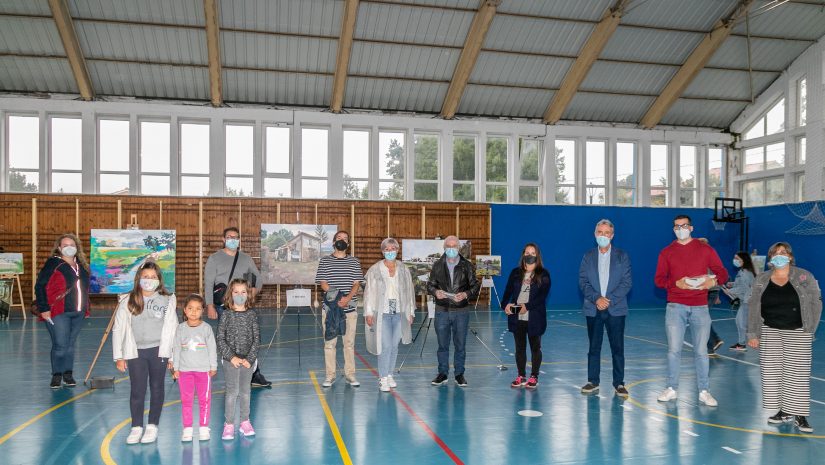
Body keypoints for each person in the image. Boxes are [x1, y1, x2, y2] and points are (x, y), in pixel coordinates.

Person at [654, 214, 728, 406]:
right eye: (677, 226)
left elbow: (722, 272)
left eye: (684, 225)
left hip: (700, 307)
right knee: (673, 351)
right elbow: (659, 280)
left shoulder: (705, 249)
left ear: (691, 228)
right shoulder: (666, 252)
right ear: (673, 230)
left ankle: (704, 391)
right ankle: (671, 388)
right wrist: (676, 283)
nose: (681, 229)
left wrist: (712, 281)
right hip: (675, 307)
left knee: (702, 351)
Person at [747, 242, 821, 433]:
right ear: (771, 258)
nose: (780, 255)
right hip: (771, 331)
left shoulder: (804, 276)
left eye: (783, 252)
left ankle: (800, 415)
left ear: (790, 256)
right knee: (773, 374)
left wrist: (809, 329)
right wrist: (753, 333)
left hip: (798, 332)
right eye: (776, 253)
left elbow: (816, 302)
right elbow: (754, 306)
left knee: (797, 375)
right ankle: (784, 411)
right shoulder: (762, 279)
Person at [112, 261, 179, 444]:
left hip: (159, 352)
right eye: (145, 277)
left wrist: (173, 357)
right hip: (136, 353)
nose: (149, 280)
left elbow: (173, 329)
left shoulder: (167, 299)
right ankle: (136, 427)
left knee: (157, 387)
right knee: (137, 390)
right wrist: (119, 356)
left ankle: (152, 426)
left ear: (159, 280)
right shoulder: (127, 300)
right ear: (138, 279)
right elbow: (118, 329)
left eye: (153, 277)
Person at [204, 227, 269, 388]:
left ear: (239, 240)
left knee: (248, 338)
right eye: (229, 237)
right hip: (223, 306)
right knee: (227, 339)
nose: (233, 239)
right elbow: (208, 283)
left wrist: (253, 292)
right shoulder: (214, 258)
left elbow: (258, 279)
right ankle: (231, 373)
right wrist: (210, 305)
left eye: (236, 237)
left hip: (243, 306)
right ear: (223, 239)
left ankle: (254, 373)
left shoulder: (246, 259)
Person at [578, 220, 633, 397]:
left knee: (618, 348)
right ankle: (592, 381)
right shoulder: (588, 256)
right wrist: (597, 299)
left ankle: (619, 383)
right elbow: (583, 282)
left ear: (612, 235)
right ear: (595, 235)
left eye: (607, 233)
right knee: (594, 347)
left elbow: (627, 283)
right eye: (600, 232)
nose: (603, 235)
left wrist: (608, 300)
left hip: (615, 309)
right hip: (593, 308)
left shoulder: (622, 256)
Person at [35, 233, 91, 389]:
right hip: (59, 312)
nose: (69, 248)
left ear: (77, 247)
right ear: (59, 248)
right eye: (65, 245)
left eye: (72, 245)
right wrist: (44, 308)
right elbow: (40, 286)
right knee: (60, 344)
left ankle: (68, 374)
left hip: (79, 312)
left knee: (70, 345)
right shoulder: (53, 263)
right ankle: (57, 375)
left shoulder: (81, 266)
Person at [427, 235, 480, 387]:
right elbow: (430, 285)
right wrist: (436, 292)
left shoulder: (467, 265)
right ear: (444, 248)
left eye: (454, 246)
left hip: (461, 312)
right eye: (448, 246)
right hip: (442, 311)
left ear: (458, 248)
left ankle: (459, 374)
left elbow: (475, 286)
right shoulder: (437, 265)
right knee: (442, 345)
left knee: (460, 345)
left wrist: (465, 294)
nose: (451, 249)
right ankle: (442, 373)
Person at [363, 238, 416, 392]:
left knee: (394, 346)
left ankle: (390, 374)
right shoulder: (375, 269)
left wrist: (410, 311)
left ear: (397, 250)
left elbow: (409, 292)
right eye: (387, 248)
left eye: (393, 248)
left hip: (399, 312)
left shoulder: (404, 269)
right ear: (383, 251)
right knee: (385, 346)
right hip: (382, 313)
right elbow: (369, 293)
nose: (390, 251)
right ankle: (383, 378)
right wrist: (368, 312)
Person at [315, 230, 365, 387]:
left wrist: (347, 298)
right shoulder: (324, 261)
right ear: (333, 242)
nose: (341, 240)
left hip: (349, 309)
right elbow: (322, 283)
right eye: (338, 238)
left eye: (345, 239)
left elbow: (357, 283)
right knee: (330, 343)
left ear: (348, 244)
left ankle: (350, 374)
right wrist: (337, 298)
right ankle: (330, 376)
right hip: (330, 309)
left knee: (349, 344)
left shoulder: (354, 262)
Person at [501, 243, 551, 389]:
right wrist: (506, 305)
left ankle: (534, 376)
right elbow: (507, 292)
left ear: (537, 256)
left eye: (533, 253)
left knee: (535, 348)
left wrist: (526, 307)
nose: (530, 255)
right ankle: (521, 375)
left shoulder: (544, 274)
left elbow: (542, 296)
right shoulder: (515, 273)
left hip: (535, 317)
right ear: (523, 254)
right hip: (517, 318)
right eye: (527, 252)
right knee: (519, 348)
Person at [217, 279, 260, 440]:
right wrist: (231, 357)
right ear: (230, 294)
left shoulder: (252, 315)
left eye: (243, 292)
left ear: (248, 294)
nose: (240, 295)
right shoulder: (226, 314)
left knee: (245, 392)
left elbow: (257, 339)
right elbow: (220, 338)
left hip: (248, 361)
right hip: (230, 360)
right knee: (231, 392)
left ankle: (244, 422)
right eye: (236, 292)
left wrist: (250, 358)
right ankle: (229, 424)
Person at [172, 294, 217, 442]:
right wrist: (176, 368)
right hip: (185, 372)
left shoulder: (206, 329)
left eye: (198, 309)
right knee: (187, 400)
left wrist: (213, 366)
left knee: (205, 400)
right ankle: (187, 429)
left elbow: (212, 349)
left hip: (203, 371)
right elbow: (176, 349)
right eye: (190, 308)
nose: (193, 311)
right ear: (185, 310)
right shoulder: (180, 329)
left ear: (203, 310)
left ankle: (204, 427)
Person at [727, 252, 756, 351]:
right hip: (746, 300)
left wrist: (730, 291)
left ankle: (743, 344)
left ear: (743, 260)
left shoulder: (745, 272)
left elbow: (743, 288)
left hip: (749, 301)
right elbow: (742, 284)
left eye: (737, 258)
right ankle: (741, 343)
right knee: (741, 322)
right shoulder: (743, 271)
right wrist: (732, 284)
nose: (735, 260)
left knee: (742, 323)